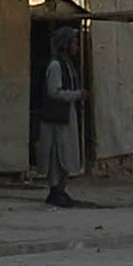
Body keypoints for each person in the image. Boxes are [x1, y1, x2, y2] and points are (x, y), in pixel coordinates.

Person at [34, 26, 84, 208]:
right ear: (66, 45)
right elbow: (54, 91)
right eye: (74, 43)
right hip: (56, 117)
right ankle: (55, 189)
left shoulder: (66, 64)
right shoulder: (56, 65)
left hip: (65, 115)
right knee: (56, 153)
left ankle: (61, 188)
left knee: (65, 152)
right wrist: (77, 95)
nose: (77, 47)